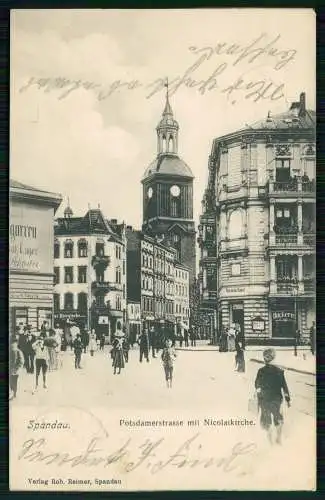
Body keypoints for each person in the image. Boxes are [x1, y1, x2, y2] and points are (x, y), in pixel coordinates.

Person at [254, 348, 291, 445]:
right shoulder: (279, 371)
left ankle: (270, 443)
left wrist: (258, 395)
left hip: (264, 400)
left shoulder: (261, 371)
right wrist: (288, 399)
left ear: (264, 359)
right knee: (278, 418)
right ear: (273, 358)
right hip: (276, 400)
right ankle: (278, 438)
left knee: (267, 420)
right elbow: (284, 386)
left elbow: (257, 385)